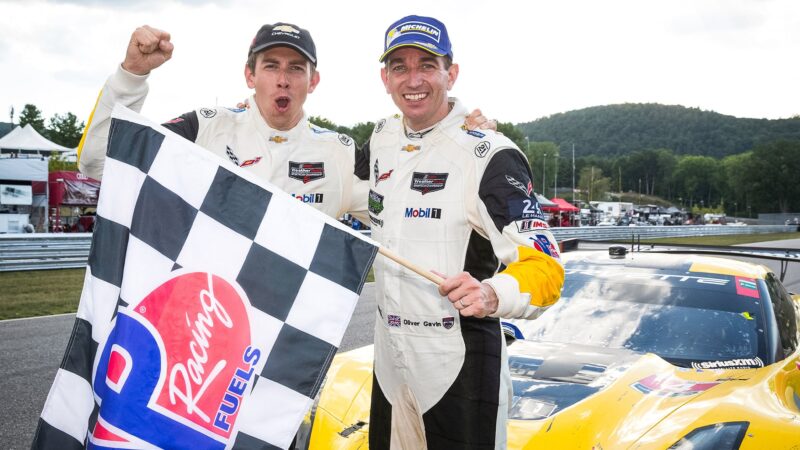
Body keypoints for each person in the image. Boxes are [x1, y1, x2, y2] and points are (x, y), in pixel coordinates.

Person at [358, 15, 565, 449]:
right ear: (385, 78)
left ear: (451, 73)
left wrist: (494, 294)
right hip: (390, 363)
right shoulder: (381, 138)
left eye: (427, 65)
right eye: (400, 67)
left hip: (458, 361)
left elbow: (546, 268)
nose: (413, 79)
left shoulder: (489, 153)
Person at [78, 24, 493, 221]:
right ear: (249, 75)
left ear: (313, 81)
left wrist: (463, 137)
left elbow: (415, 205)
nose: (282, 78)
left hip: (288, 346)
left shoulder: (341, 153)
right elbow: (98, 163)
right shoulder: (204, 128)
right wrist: (131, 75)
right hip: (206, 330)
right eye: (270, 65)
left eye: (296, 68)